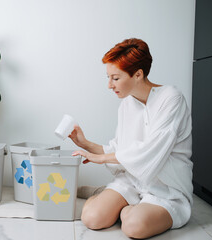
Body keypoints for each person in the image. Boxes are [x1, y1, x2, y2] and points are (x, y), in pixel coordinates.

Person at [70, 38, 193, 239]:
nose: (109, 85)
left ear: (138, 74)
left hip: (165, 189)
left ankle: (123, 207)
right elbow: (119, 148)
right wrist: (85, 143)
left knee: (134, 227)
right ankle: (109, 197)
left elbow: (151, 150)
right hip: (131, 182)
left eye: (115, 78)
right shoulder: (126, 104)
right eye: (108, 77)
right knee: (92, 219)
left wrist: (100, 158)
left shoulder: (172, 98)